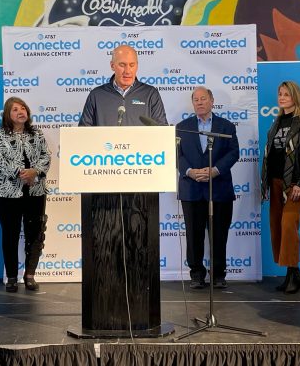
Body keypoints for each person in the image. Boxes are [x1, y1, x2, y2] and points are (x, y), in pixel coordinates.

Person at [75, 44, 168, 336]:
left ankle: (141, 312)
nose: (128, 70)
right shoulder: (97, 95)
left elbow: (161, 131)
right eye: (122, 65)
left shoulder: (150, 94)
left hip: (141, 188)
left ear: (137, 66)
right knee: (105, 248)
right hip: (103, 189)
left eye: (132, 65)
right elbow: (83, 132)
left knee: (138, 246)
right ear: (112, 65)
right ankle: (104, 312)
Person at [176, 87, 239, 289]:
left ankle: (218, 275)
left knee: (219, 235)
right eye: (196, 99)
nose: (200, 102)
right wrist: (189, 172)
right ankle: (196, 274)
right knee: (194, 236)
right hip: (191, 189)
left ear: (212, 101)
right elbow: (176, 155)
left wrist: (216, 170)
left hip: (219, 189)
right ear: (192, 103)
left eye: (204, 98)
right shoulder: (182, 127)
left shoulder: (226, 126)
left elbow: (233, 153)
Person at [261, 81, 300, 294]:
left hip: (294, 183)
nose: (282, 97)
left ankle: (294, 271)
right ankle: (290, 273)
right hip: (275, 181)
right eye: (280, 94)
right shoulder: (277, 121)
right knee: (276, 226)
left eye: (286, 94)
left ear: (296, 96)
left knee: (288, 225)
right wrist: (266, 182)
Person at [0, 97, 50, 292]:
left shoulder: (37, 134)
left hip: (35, 191)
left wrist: (35, 171)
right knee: (10, 235)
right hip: (8, 193)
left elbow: (46, 156)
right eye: (15, 109)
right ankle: (12, 277)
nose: (20, 111)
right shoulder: (0, 135)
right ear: (8, 115)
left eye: (23, 108)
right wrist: (21, 172)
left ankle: (30, 275)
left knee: (35, 234)